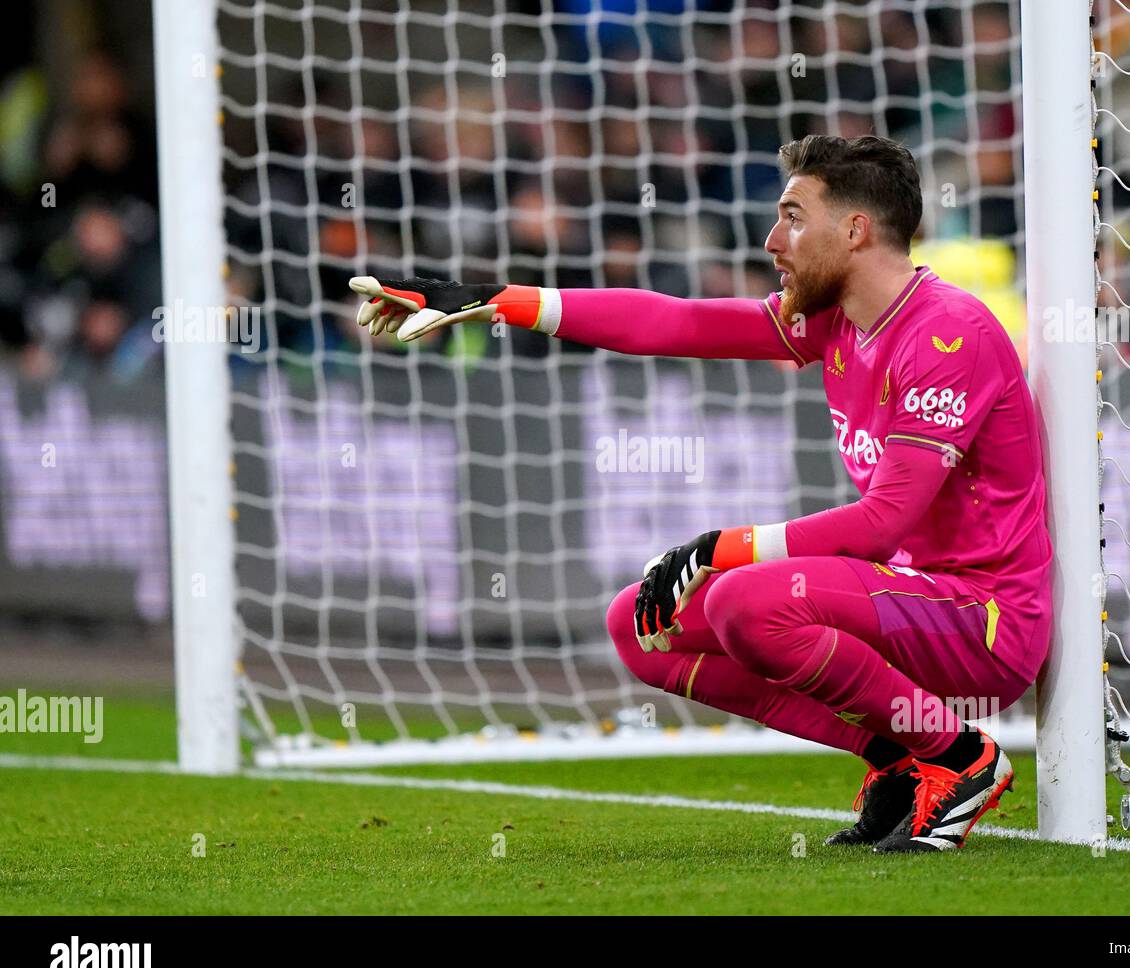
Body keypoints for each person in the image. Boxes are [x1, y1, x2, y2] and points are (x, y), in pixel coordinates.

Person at [349, 134, 1052, 853]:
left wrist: (723, 548)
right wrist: (503, 300)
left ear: (854, 230)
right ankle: (897, 758)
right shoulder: (837, 319)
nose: (773, 239)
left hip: (985, 622)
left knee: (747, 599)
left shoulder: (947, 334)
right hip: (909, 601)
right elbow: (672, 321)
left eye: (792, 216)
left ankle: (959, 755)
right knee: (640, 625)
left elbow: (881, 523)